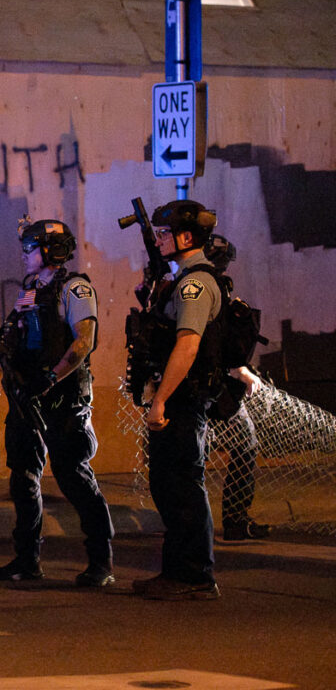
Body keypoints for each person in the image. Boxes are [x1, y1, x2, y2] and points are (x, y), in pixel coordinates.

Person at [0, 219, 116, 588]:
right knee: (24, 478)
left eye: (30, 248)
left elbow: (83, 343)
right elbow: (10, 340)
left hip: (62, 399)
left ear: (49, 251)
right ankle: (27, 560)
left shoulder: (74, 289)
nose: (24, 255)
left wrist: (50, 378)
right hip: (28, 397)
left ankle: (100, 562)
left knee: (74, 476)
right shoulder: (29, 291)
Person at [134, 199, 223, 600]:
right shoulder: (178, 279)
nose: (160, 238)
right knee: (168, 484)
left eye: (166, 233)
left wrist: (160, 401)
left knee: (183, 485)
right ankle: (179, 572)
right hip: (177, 398)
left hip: (183, 401)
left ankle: (195, 576)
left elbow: (187, 346)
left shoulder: (195, 284)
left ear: (187, 237)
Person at [201, 234, 271, 542]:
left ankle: (225, 522)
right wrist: (240, 370)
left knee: (199, 453)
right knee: (243, 443)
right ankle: (232, 520)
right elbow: (215, 337)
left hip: (199, 383)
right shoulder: (211, 285)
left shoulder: (181, 280)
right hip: (209, 384)